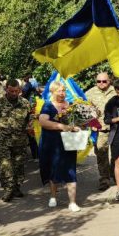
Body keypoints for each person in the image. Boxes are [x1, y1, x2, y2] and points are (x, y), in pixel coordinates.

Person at [0, 79, 32, 202]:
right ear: (6, 89)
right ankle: (8, 189)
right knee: (5, 165)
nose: (14, 93)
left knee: (19, 165)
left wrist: (31, 127)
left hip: (20, 140)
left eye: (16, 91)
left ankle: (17, 187)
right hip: (3, 140)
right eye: (11, 91)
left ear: (20, 91)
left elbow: (29, 119)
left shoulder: (25, 103)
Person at [38, 81, 82, 212]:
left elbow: (77, 121)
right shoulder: (47, 106)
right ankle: (53, 196)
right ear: (52, 92)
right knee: (53, 169)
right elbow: (43, 121)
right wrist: (61, 126)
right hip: (51, 143)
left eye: (64, 91)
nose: (62, 94)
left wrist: (78, 127)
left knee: (70, 170)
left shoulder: (71, 106)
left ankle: (72, 202)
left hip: (68, 143)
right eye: (59, 91)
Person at [85, 72, 115, 191]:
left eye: (104, 81)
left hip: (116, 128)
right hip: (100, 129)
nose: (101, 84)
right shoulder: (90, 93)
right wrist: (91, 123)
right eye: (98, 81)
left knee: (118, 155)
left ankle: (114, 173)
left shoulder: (116, 91)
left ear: (109, 81)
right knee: (101, 155)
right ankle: (104, 179)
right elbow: (85, 111)